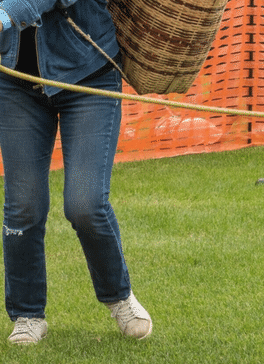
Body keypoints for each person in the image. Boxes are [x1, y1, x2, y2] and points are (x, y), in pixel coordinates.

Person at [0, 0, 152, 344]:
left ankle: (119, 297)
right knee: (24, 205)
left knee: (85, 204)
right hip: (13, 81)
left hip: (88, 71)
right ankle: (27, 315)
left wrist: (6, 15)